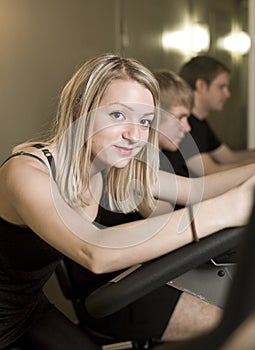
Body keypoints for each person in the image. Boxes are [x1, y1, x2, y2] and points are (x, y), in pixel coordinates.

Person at [0, 53, 255, 350]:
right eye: (118, 115)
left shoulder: (111, 165)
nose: (135, 135)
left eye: (145, 121)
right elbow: (94, 248)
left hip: (28, 309)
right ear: (81, 110)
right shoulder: (26, 171)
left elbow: (194, 189)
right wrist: (227, 211)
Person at [177, 55, 255, 176]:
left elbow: (229, 158)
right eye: (221, 87)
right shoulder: (183, 125)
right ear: (201, 85)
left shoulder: (200, 122)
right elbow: (211, 172)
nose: (227, 94)